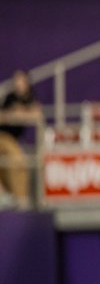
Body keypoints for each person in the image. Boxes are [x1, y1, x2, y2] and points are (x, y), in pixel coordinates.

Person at [0, 70, 40, 210]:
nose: (17, 83)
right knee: (14, 158)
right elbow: (3, 116)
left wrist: (20, 112)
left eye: (20, 80)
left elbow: (37, 114)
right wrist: (13, 114)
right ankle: (5, 194)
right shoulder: (10, 97)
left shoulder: (29, 99)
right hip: (3, 137)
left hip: (14, 140)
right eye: (16, 80)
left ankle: (20, 198)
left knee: (18, 162)